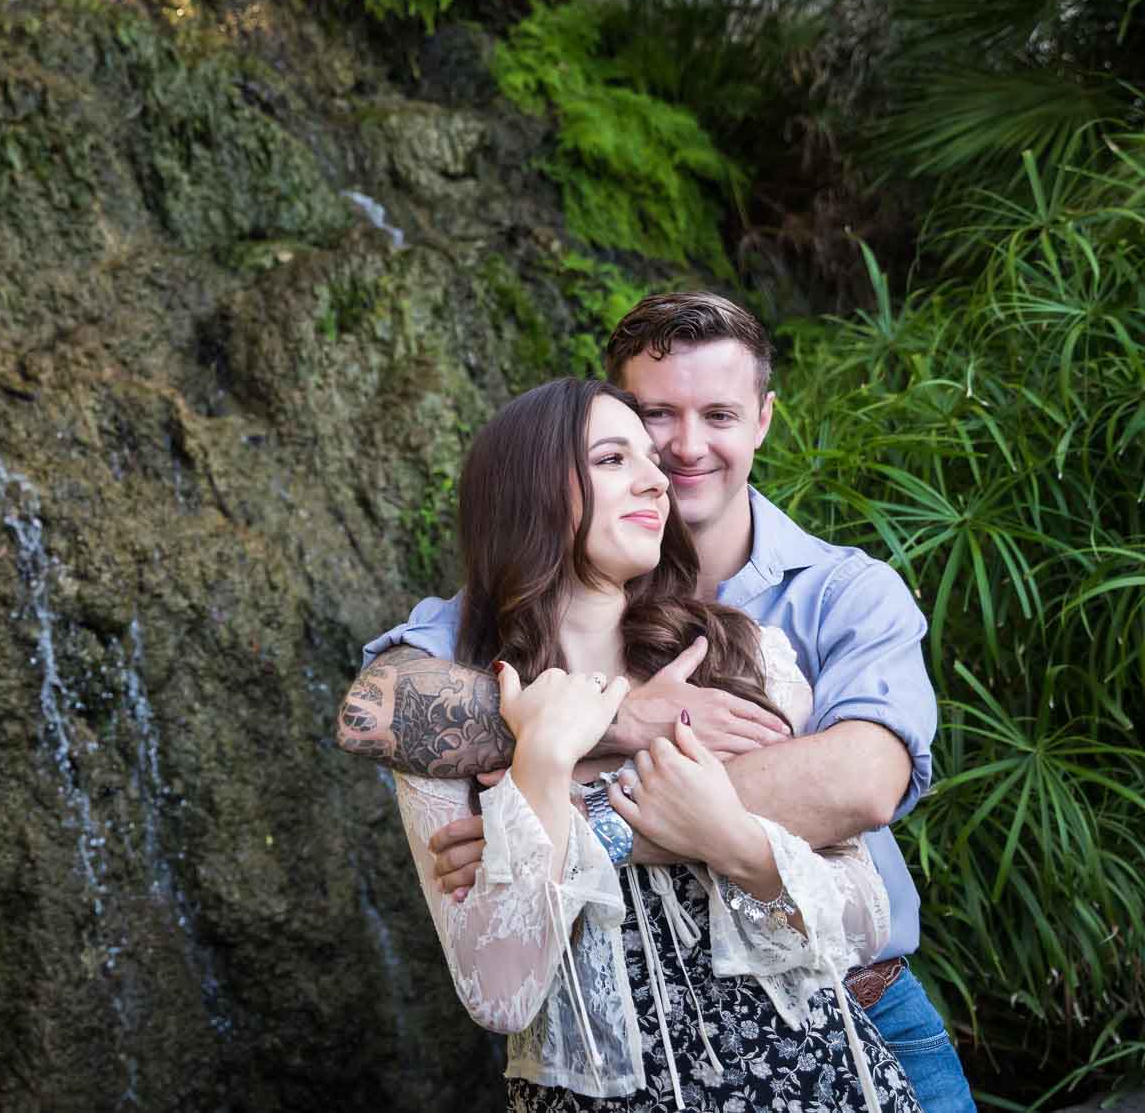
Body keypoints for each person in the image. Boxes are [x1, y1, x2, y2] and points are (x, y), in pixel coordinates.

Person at [338, 293, 976, 1111]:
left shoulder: (771, 631)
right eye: (636, 435)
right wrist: (586, 726)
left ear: (763, 420)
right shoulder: (463, 644)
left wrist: (584, 821)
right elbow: (375, 714)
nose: (670, 460)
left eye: (718, 413)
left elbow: (862, 795)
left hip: (849, 1031)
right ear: (533, 486)